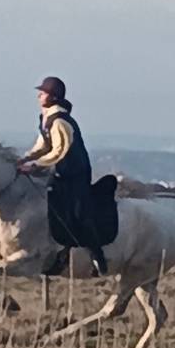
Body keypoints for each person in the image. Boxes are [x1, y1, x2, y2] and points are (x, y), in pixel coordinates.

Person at [18, 76, 108, 276]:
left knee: (77, 213)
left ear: (53, 97)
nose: (39, 95)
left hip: (75, 173)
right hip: (59, 172)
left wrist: (35, 166)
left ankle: (97, 256)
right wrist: (24, 159)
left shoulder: (60, 122)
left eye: (43, 92)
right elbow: (42, 146)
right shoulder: (46, 118)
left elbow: (59, 151)